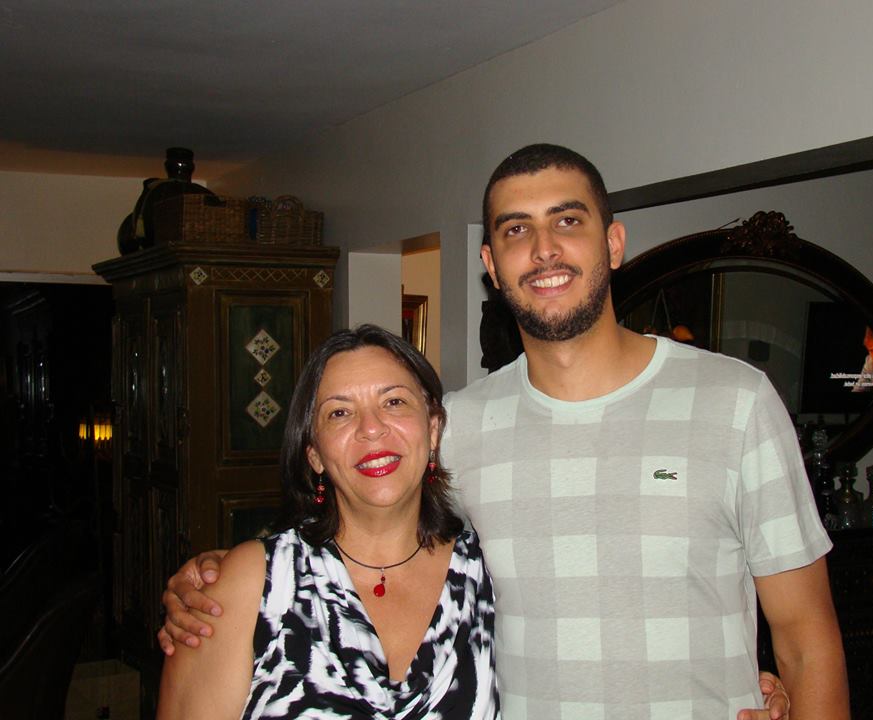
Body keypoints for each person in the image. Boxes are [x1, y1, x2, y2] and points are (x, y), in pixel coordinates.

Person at [162, 144, 838, 718]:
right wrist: (222, 580)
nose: (543, 249)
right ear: (490, 263)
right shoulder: (456, 429)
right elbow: (368, 526)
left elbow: (807, 641)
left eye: (567, 220)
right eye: (516, 230)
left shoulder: (735, 403)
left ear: (613, 243)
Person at [157, 325, 499, 719]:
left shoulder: (491, 574)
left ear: (433, 430)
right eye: (339, 412)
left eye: (393, 402)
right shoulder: (251, 586)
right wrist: (234, 572)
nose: (371, 427)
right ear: (315, 454)